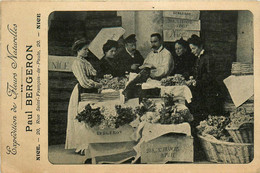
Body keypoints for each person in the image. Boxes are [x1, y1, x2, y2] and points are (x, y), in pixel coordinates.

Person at [187, 34, 223, 122]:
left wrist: (197, 82)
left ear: (200, 46)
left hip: (210, 92)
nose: (192, 51)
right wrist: (193, 78)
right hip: (203, 90)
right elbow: (199, 72)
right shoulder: (200, 57)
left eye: (193, 48)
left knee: (209, 116)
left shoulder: (207, 57)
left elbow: (210, 75)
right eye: (191, 49)